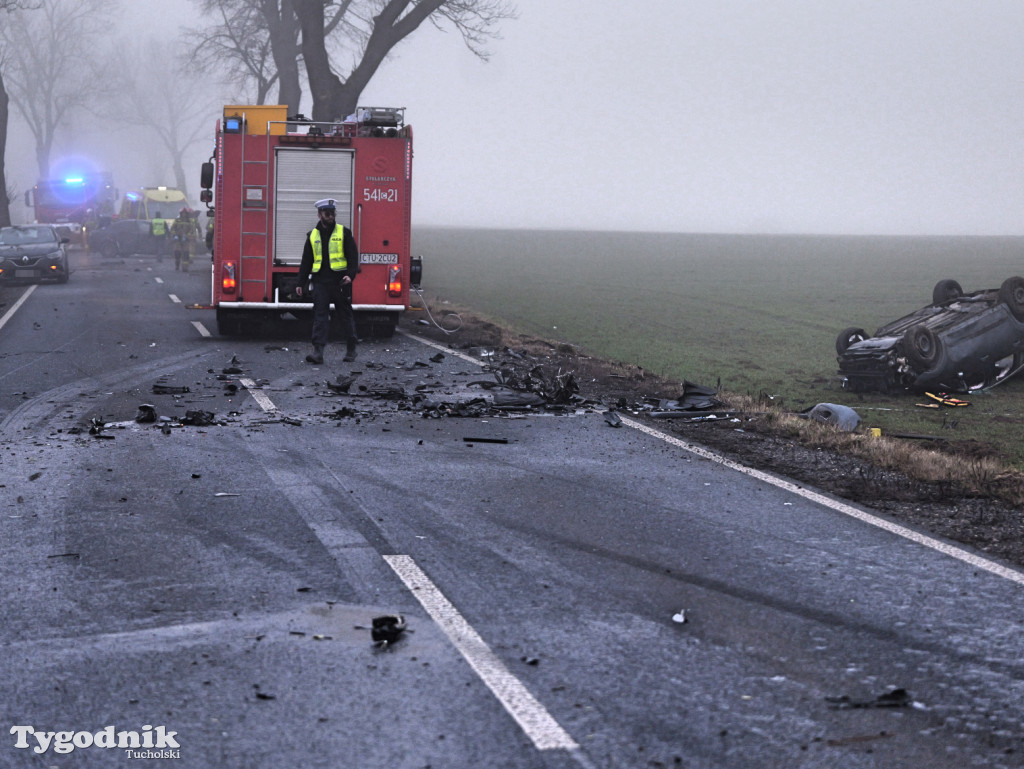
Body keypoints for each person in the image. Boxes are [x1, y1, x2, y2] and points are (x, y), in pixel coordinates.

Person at [295, 198, 359, 364]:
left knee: (345, 316)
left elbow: (353, 258)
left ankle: (351, 349)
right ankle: (318, 352)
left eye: (332, 213)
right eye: (326, 213)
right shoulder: (312, 236)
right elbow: (306, 262)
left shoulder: (344, 232)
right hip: (320, 282)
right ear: (319, 215)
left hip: (340, 282)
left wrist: (350, 276)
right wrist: (299, 283)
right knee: (320, 316)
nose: (330, 216)